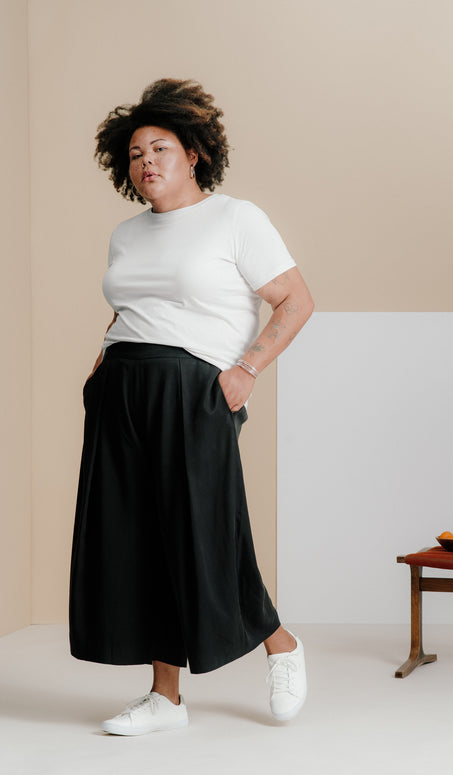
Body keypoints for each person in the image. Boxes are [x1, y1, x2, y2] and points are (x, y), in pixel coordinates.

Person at [68, 78, 314, 736]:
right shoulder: (126, 234)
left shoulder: (236, 219)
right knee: (138, 539)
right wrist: (100, 367)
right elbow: (131, 306)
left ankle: (281, 645)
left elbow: (296, 300)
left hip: (193, 388)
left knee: (204, 534)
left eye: (160, 148)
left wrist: (247, 369)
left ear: (194, 153)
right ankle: (165, 698)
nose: (146, 161)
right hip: (122, 388)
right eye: (135, 154)